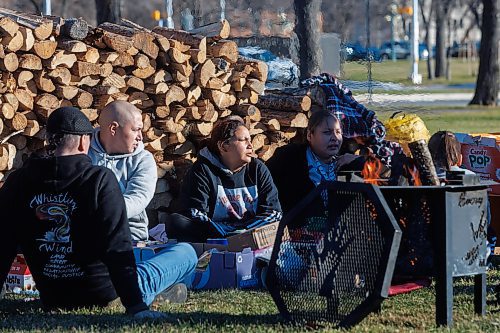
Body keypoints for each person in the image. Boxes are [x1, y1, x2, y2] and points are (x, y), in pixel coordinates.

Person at [0, 107, 197, 318]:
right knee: (186, 253)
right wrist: (136, 307)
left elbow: (3, 243)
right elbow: (116, 247)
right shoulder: (98, 179)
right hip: (107, 295)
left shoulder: (18, 181)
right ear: (85, 142)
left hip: (53, 295)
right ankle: (154, 294)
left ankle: (163, 293)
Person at [166, 118, 282, 242]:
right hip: (216, 234)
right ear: (224, 146)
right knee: (176, 222)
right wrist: (225, 233)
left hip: (251, 234)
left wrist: (244, 231)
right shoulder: (203, 170)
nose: (251, 146)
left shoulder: (257, 169)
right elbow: (195, 213)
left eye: (250, 139)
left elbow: (273, 212)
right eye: (244, 140)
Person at [266, 110, 365, 214]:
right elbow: (264, 184)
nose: (335, 138)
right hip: (295, 227)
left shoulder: (346, 163)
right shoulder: (289, 157)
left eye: (338, 132)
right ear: (309, 135)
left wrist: (358, 161)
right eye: (327, 132)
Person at [88, 101, 156, 241]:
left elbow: (138, 198)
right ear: (113, 129)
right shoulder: (83, 152)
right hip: (85, 232)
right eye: (135, 130)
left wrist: (99, 211)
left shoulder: (143, 160)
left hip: (129, 235)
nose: (140, 137)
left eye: (140, 130)